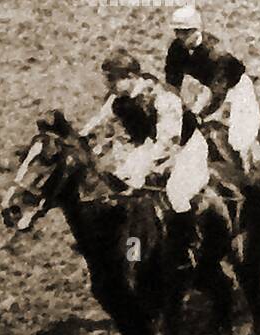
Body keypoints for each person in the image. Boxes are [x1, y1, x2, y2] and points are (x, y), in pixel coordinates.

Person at [81, 49, 209, 213]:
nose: (108, 85)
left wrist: (145, 168)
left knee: (176, 194)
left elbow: (169, 141)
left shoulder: (163, 97)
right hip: (151, 145)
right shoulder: (119, 97)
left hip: (186, 148)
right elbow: (100, 120)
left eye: (112, 79)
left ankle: (187, 237)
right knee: (118, 181)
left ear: (131, 76)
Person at [164, 5, 260, 172]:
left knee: (239, 138)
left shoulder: (217, 53)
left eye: (186, 32)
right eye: (177, 32)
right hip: (208, 87)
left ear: (198, 30)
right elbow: (172, 81)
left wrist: (199, 113)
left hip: (236, 88)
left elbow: (218, 93)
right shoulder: (176, 48)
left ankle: (249, 169)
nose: (181, 37)